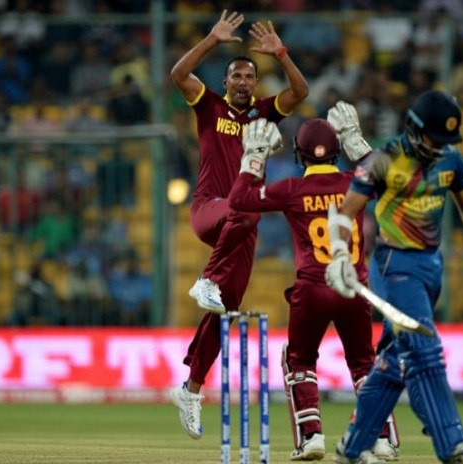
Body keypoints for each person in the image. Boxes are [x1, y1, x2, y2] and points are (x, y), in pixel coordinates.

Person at [325, 90, 463, 464]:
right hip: (394, 265)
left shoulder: (450, 160)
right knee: (425, 349)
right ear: (413, 128)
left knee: (395, 361)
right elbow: (346, 212)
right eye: (434, 139)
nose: (439, 147)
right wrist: (340, 254)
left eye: (446, 141)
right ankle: (452, 444)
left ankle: (353, 446)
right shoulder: (384, 161)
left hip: (430, 267)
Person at [167, 10, 308, 440]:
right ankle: (207, 278)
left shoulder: (265, 113)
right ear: (226, 82)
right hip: (210, 210)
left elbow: (300, 91)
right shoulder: (208, 105)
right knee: (249, 202)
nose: (244, 82)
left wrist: (281, 53)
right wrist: (211, 39)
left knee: (224, 313)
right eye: (237, 76)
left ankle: (190, 389)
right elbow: (178, 73)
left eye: (250, 76)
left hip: (242, 228)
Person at [228, 106, 398, 461]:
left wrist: (254, 158)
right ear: (337, 150)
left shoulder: (292, 188)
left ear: (298, 154)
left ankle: (312, 437)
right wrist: (358, 141)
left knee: (299, 360)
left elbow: (239, 200)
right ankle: (380, 438)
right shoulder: (356, 179)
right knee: (364, 364)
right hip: (353, 287)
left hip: (312, 289)